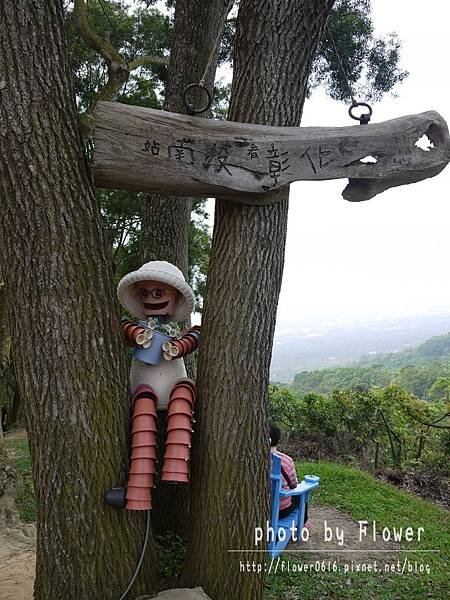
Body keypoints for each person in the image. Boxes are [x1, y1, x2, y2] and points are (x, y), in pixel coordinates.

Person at [269, 423, 309, 526]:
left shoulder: (249, 461)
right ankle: (303, 523)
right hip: (280, 511)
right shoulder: (286, 460)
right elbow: (293, 486)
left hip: (256, 509)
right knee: (302, 495)